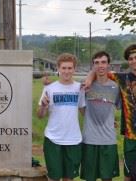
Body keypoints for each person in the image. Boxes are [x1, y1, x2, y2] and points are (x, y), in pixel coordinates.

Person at [84, 44, 136, 181]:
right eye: (130, 58)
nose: (134, 61)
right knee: (128, 176)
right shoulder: (122, 79)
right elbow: (99, 70)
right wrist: (88, 79)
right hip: (131, 136)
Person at [37, 53, 85, 181]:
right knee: (54, 178)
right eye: (64, 68)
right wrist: (42, 106)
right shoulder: (49, 88)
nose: (67, 71)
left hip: (73, 139)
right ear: (58, 68)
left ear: (74, 69)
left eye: (70, 68)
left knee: (68, 178)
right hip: (53, 139)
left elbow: (83, 111)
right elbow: (40, 116)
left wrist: (104, 121)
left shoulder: (79, 88)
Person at [80, 51, 120, 181]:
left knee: (107, 178)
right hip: (89, 139)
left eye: (103, 62)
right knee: (90, 178)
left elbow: (119, 108)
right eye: (96, 63)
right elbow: (81, 109)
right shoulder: (86, 85)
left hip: (108, 140)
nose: (100, 65)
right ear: (93, 66)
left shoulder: (115, 87)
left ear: (109, 64)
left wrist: (111, 120)